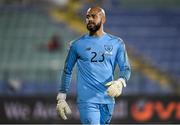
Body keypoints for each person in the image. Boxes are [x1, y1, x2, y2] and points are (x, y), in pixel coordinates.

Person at [56, 6, 131, 124]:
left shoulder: (117, 43)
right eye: (87, 17)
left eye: (93, 16)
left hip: (108, 99)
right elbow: (67, 70)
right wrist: (61, 97)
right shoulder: (77, 45)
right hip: (87, 101)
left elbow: (125, 68)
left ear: (103, 19)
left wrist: (120, 82)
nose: (89, 19)